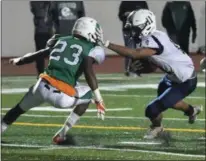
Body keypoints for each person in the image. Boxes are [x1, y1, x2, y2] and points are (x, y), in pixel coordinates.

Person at [96, 9, 202, 139]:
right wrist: (140, 68)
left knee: (152, 109)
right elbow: (153, 65)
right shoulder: (151, 36)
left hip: (185, 81)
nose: (133, 31)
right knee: (169, 102)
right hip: (172, 76)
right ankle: (192, 110)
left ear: (147, 25)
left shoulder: (154, 39)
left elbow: (135, 54)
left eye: (136, 28)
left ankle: (157, 128)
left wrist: (106, 43)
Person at [1, 17, 106, 144]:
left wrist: (20, 60)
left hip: (40, 86)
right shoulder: (90, 48)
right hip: (61, 95)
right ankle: (61, 135)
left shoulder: (61, 39)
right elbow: (89, 72)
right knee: (88, 95)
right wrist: (99, 99)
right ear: (89, 32)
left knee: (18, 109)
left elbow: (40, 53)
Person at [118, 1, 149, 76]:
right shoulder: (125, 2)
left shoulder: (142, 2)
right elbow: (120, 16)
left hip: (140, 29)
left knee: (140, 50)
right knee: (129, 49)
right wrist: (126, 14)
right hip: (128, 30)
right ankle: (128, 69)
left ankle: (139, 70)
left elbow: (148, 14)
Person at [30, 1, 54, 76]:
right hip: (40, 31)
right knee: (40, 54)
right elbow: (39, 12)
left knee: (54, 53)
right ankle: (40, 74)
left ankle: (54, 74)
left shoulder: (52, 3)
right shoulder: (35, 2)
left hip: (51, 31)